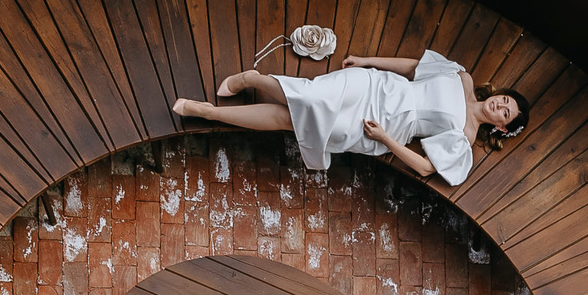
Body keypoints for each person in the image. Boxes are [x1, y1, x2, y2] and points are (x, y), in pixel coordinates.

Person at [170, 50, 528, 188]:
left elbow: (424, 167)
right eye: (505, 99)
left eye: (506, 112)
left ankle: (211, 113)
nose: (500, 104)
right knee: (310, 95)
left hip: (383, 127)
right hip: (379, 86)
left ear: (500, 127)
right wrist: (368, 62)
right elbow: (413, 68)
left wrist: (387, 140)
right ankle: (254, 79)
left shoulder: (464, 139)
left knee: (291, 122)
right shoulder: (461, 76)